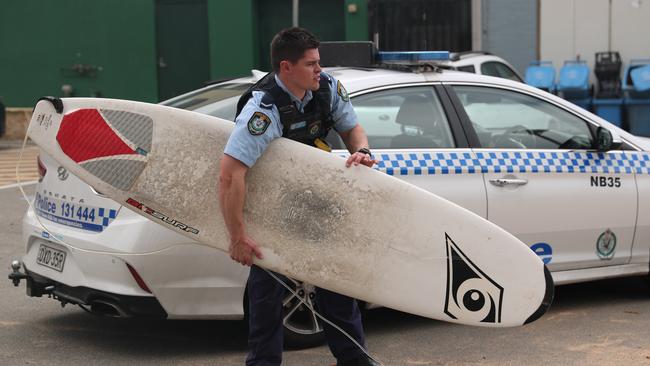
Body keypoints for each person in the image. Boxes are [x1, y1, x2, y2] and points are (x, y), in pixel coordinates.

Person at [219, 27, 379, 366]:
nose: (319, 70)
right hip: (274, 210)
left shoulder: (327, 89)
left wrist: (361, 150)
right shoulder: (263, 110)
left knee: (336, 287)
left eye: (319, 62)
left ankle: (355, 361)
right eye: (311, 64)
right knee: (267, 294)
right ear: (285, 68)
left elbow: (353, 129)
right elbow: (230, 173)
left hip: (319, 203)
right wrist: (237, 237)